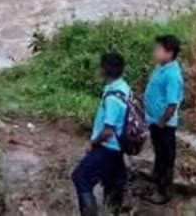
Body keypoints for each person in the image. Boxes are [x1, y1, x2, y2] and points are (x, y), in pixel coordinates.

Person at [72, 53, 130, 216]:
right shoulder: (123, 88)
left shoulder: (113, 98)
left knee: (80, 177)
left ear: (105, 70)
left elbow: (108, 131)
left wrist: (93, 142)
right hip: (118, 148)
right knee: (113, 184)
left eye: (101, 66)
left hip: (107, 147)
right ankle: (112, 211)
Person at [143, 35, 184, 204]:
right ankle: (156, 175)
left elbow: (172, 104)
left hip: (164, 125)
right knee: (159, 153)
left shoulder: (172, 75)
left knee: (167, 157)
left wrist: (161, 122)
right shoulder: (161, 67)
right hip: (155, 121)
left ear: (170, 53)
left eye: (158, 50)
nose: (155, 52)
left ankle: (163, 191)